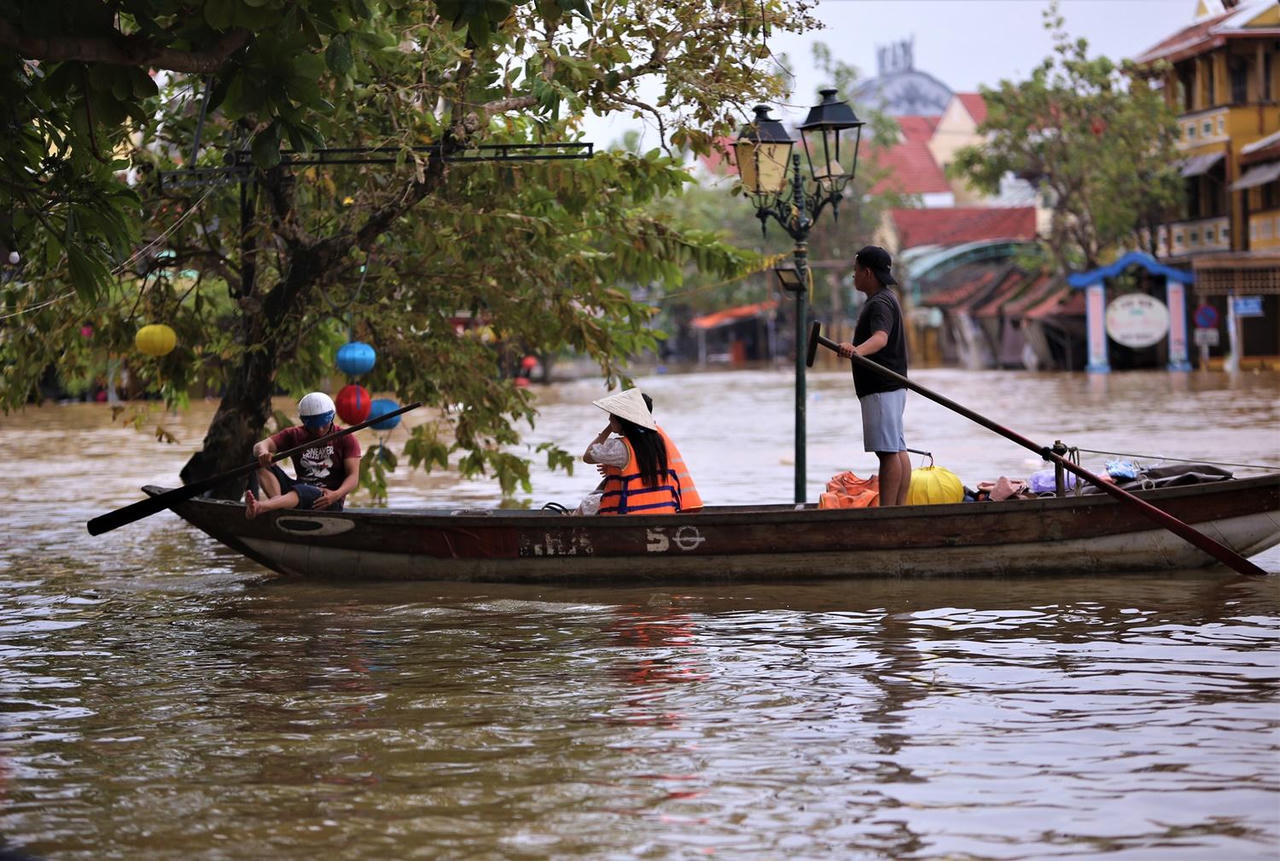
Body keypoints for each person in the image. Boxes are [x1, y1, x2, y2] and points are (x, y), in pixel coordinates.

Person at [835, 245, 911, 507]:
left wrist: (856, 350)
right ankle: (898, 510)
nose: (853, 276)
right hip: (892, 386)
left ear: (867, 272)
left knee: (888, 452)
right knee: (897, 448)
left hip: (882, 387)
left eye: (855, 271)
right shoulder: (886, 299)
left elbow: (880, 338)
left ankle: (887, 513)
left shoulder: (879, 303)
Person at [581, 388, 702, 515]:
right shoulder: (659, 439)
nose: (609, 419)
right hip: (665, 510)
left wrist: (608, 430)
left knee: (587, 503)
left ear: (622, 420)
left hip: (631, 514)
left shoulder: (620, 447)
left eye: (612, 416)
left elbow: (587, 456)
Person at [244, 392, 362, 519]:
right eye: (314, 426)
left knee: (304, 490)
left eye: (324, 424)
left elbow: (353, 477)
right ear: (304, 421)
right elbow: (259, 446)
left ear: (332, 417)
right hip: (296, 492)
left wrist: (336, 495)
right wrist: (263, 453)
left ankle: (262, 507)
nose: (320, 430)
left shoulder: (346, 438)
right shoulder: (294, 434)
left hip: (328, 500)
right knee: (256, 459)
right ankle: (277, 504)